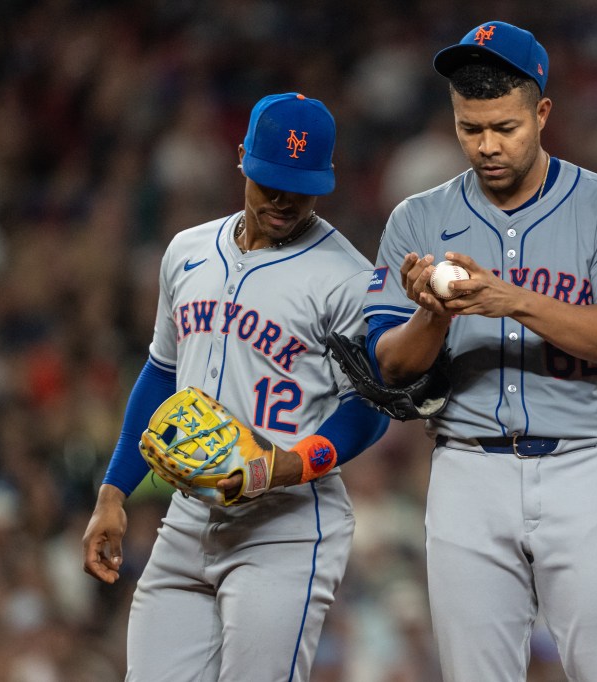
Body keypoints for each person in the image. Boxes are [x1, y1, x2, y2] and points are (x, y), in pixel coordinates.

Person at [362, 20, 597, 682]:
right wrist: (434, 314)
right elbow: (389, 366)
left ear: (543, 112)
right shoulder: (416, 218)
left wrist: (513, 300)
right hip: (466, 473)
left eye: (505, 127)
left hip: (581, 471)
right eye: (471, 129)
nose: (487, 145)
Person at [81, 92, 389, 681]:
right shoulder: (188, 251)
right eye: (270, 180)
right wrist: (115, 491)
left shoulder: (348, 279)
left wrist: (289, 466)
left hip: (286, 526)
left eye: (299, 186)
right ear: (242, 156)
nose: (282, 199)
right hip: (188, 515)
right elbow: (163, 372)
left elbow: (369, 409)